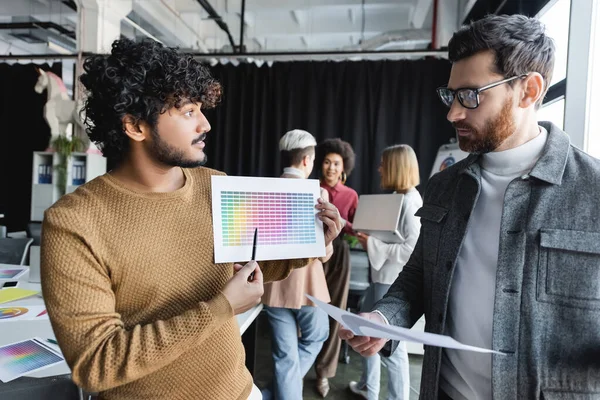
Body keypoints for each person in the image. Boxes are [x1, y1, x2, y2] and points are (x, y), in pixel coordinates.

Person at [40, 39, 343, 400]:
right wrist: (220, 309)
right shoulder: (73, 223)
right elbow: (97, 363)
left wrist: (311, 241)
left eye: (201, 108)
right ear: (136, 127)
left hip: (239, 392)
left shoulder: (215, 184)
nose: (206, 124)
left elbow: (254, 265)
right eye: (187, 112)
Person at [340, 14, 600, 400]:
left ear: (528, 90)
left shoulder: (592, 191)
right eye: (451, 95)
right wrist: (384, 318)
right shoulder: (444, 186)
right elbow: (419, 276)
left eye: (471, 95)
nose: (453, 113)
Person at [261, 129, 334, 400]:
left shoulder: (265, 191)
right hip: (308, 286)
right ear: (307, 160)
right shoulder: (318, 195)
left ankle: (275, 392)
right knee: (317, 336)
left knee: (284, 356)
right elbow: (324, 253)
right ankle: (276, 392)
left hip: (272, 286)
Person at [349, 144, 422, 400]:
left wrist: (372, 243)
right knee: (367, 334)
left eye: (383, 163)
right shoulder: (398, 198)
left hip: (391, 282)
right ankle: (369, 387)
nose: (379, 168)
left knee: (392, 349)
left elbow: (412, 250)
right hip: (381, 278)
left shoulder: (411, 202)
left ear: (395, 167)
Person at [313, 138, 359, 397]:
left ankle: (323, 373)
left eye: (336, 163)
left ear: (344, 168)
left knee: (335, 311)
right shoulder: (311, 188)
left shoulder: (351, 195)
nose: (331, 167)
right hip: (311, 255)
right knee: (307, 309)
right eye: (328, 162)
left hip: (339, 253)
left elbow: (356, 228)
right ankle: (298, 364)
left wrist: (341, 223)